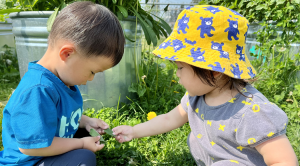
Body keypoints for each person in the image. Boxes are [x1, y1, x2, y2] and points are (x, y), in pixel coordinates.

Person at [113, 5, 298, 166]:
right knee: (194, 138)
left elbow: (284, 161)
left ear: (214, 70)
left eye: (180, 67)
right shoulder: (197, 96)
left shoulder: (251, 112)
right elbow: (170, 119)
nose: (176, 73)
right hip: (217, 158)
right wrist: (134, 131)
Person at [0, 1, 125, 166]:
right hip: (30, 160)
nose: (91, 79)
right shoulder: (38, 90)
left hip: (46, 151)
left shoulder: (63, 79)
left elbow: (59, 116)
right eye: (92, 71)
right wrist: (80, 144)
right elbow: (32, 148)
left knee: (84, 134)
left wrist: (86, 121)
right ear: (67, 54)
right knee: (84, 158)